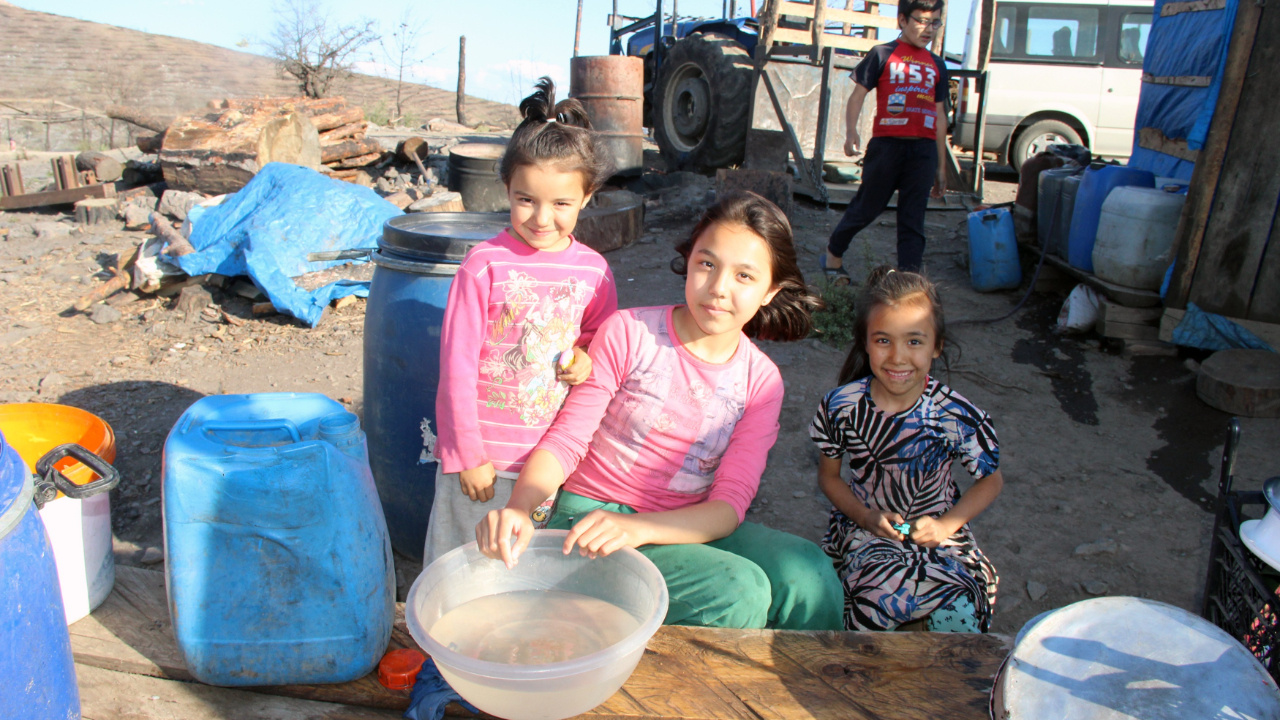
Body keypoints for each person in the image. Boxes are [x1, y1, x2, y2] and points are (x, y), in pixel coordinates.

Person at [476, 191, 844, 631]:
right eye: (707, 264)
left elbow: (728, 507)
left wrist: (640, 529)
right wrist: (521, 508)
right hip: (587, 519)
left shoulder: (761, 382)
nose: (719, 288)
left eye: (745, 276)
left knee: (810, 575)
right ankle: (696, 694)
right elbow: (567, 441)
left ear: (770, 292)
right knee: (737, 591)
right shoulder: (630, 333)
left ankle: (809, 690)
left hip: (683, 522)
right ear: (689, 262)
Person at [424, 77, 618, 565]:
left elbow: (602, 342)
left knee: (523, 575)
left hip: (549, 465)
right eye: (525, 199)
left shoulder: (594, 271)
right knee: (460, 565)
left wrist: (584, 360)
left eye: (561, 204)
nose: (541, 217)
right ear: (506, 188)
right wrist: (467, 454)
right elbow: (456, 368)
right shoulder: (484, 265)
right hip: (481, 463)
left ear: (587, 197)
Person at [809, 267, 1003, 632]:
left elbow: (990, 481)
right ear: (865, 343)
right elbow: (829, 478)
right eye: (883, 340)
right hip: (865, 530)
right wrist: (865, 516)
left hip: (940, 534)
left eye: (914, 341)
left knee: (960, 610)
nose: (898, 357)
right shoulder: (841, 407)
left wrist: (947, 525)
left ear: (936, 345)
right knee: (872, 604)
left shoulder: (956, 413)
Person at [820, 0, 950, 278]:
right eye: (922, 21)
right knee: (867, 207)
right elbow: (857, 96)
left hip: (924, 151)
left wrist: (940, 165)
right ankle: (833, 254)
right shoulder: (882, 54)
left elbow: (940, 115)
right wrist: (851, 130)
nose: (929, 29)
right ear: (902, 20)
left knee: (913, 219)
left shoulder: (937, 65)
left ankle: (909, 283)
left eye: (935, 22)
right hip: (887, 147)